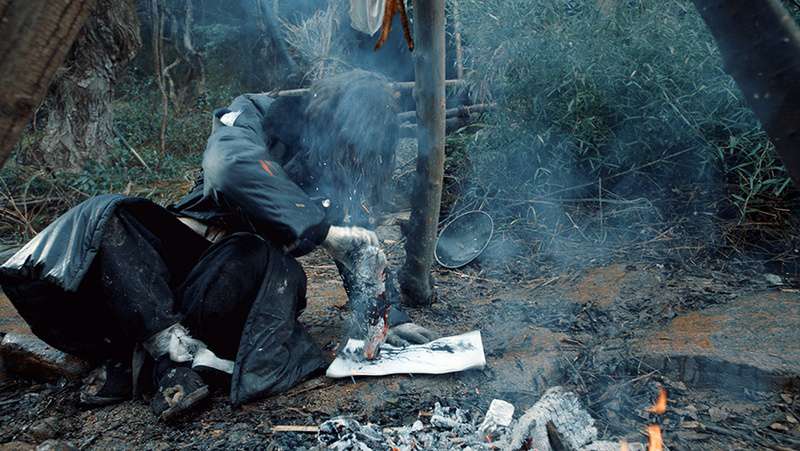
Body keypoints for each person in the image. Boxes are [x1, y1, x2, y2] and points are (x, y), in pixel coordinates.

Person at [0, 70, 435, 421]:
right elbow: (229, 166)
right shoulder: (259, 112)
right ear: (329, 118)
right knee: (110, 214)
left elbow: (359, 251)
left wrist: (387, 317)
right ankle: (166, 356)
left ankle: (154, 363)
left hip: (226, 289)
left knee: (260, 255)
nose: (353, 156)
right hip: (157, 273)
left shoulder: (341, 176)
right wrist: (321, 232)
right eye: (349, 141)